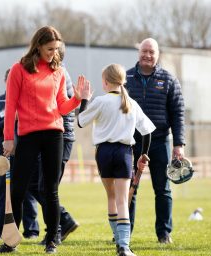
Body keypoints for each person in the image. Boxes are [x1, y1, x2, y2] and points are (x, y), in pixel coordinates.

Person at [0, 25, 90, 254]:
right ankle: (10, 242)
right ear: (37, 46)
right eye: (49, 49)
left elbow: (62, 106)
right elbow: (11, 108)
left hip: (54, 134)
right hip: (27, 136)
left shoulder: (58, 71)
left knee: (50, 190)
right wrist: (8, 139)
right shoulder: (18, 69)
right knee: (17, 190)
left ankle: (51, 240)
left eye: (56, 49)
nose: (53, 53)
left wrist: (77, 99)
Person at [77, 63, 155, 256]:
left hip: (103, 153)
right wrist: (143, 154)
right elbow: (147, 132)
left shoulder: (100, 101)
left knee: (111, 197)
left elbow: (80, 121)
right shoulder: (131, 103)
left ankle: (118, 240)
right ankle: (124, 246)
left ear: (105, 82)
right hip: (124, 153)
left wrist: (84, 100)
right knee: (122, 200)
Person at [126, 38, 185, 244]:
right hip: (132, 142)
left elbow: (178, 114)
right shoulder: (126, 78)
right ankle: (126, 233)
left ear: (158, 55)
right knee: (129, 189)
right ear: (138, 52)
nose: (147, 55)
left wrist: (179, 144)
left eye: (152, 52)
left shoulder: (169, 80)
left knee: (163, 189)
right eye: (144, 51)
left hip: (160, 142)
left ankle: (164, 233)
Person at [0, 69, 39, 241]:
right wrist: (10, 118)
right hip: (2, 155)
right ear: (6, 82)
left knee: (28, 193)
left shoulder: (30, 100)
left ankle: (31, 231)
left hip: (26, 153)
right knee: (3, 193)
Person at [37, 42, 79, 245]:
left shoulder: (59, 73)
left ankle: (59, 227)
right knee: (38, 185)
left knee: (46, 187)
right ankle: (58, 225)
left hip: (61, 135)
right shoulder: (50, 72)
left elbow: (61, 106)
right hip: (51, 135)